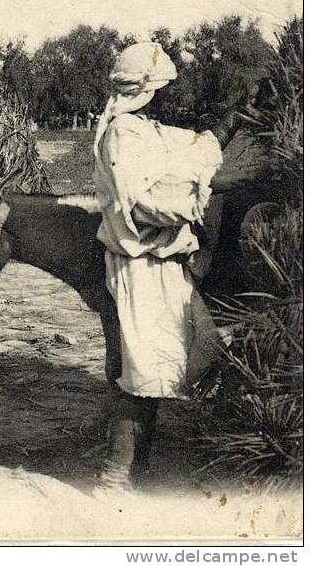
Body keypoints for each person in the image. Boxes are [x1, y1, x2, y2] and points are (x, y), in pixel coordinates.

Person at [92, 42, 243, 490]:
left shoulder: (147, 128)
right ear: (146, 90)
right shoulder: (123, 134)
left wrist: (229, 123)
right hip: (140, 267)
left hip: (164, 265)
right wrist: (197, 198)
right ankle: (114, 479)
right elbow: (147, 203)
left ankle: (133, 471)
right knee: (140, 374)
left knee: (171, 363)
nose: (170, 96)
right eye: (164, 87)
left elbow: (191, 150)